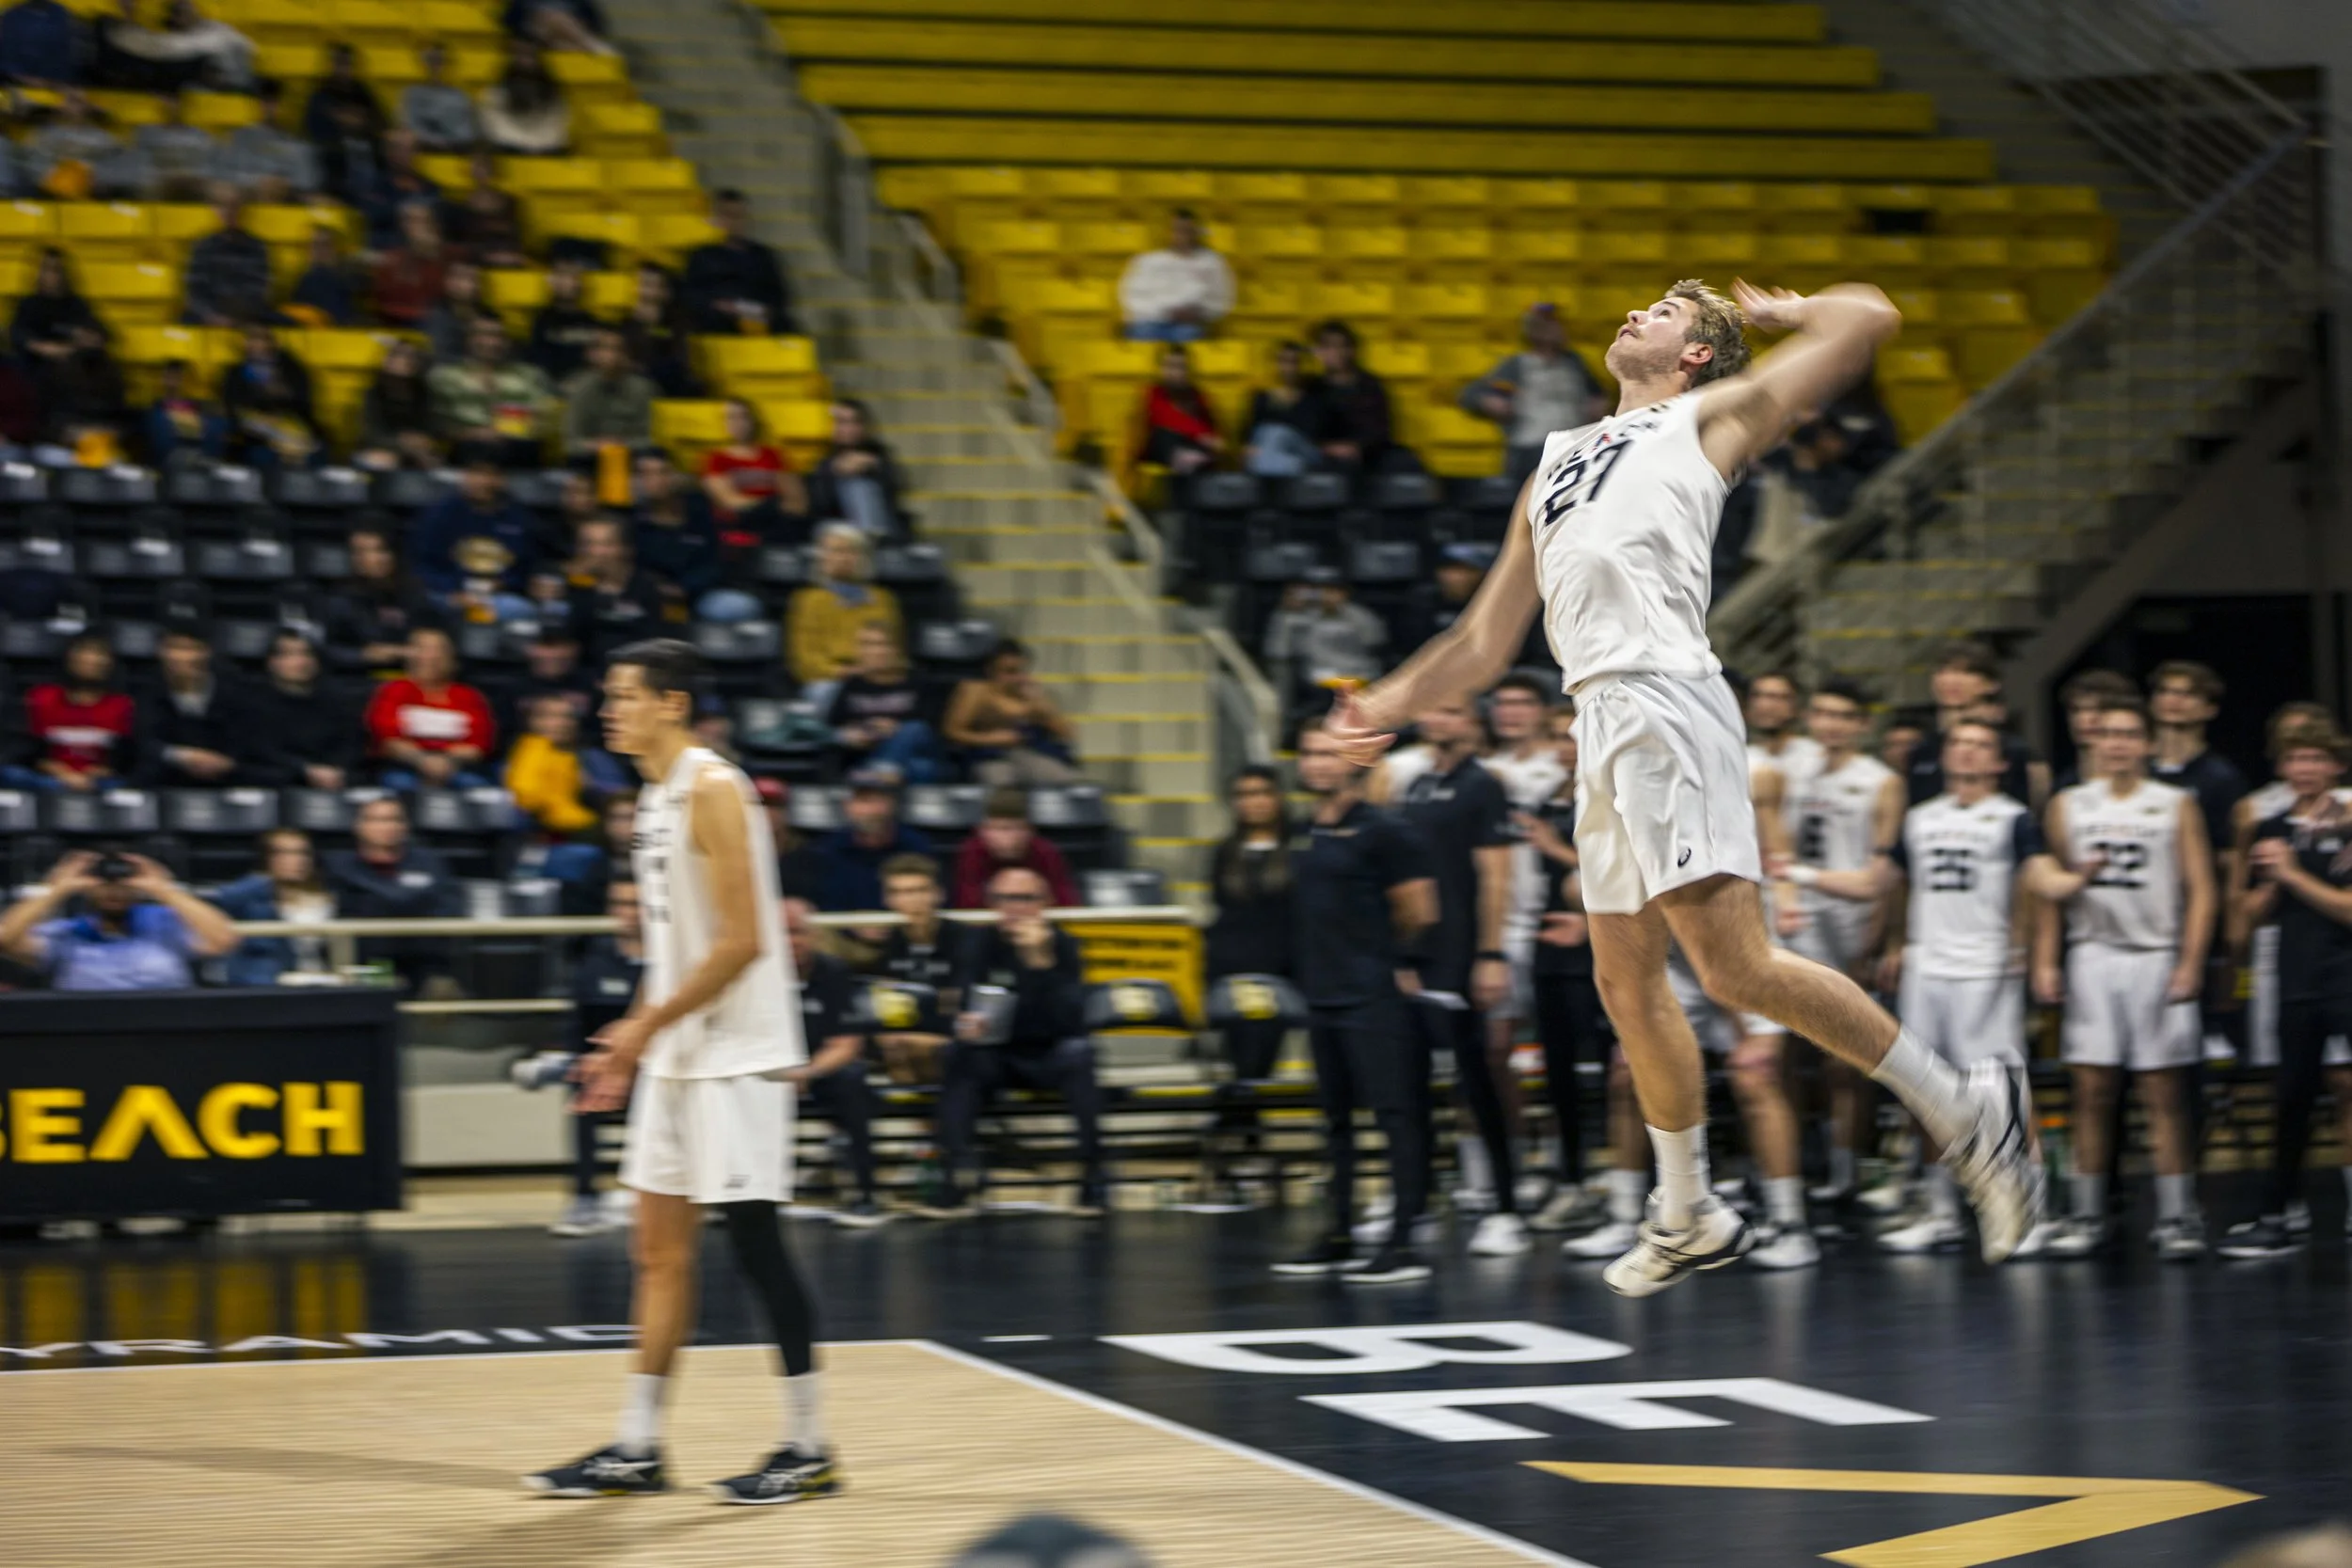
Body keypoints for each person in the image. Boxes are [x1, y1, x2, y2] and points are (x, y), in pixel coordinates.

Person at [1327, 277, 2050, 1295]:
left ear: (1697, 353)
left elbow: (1870, 317)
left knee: (1735, 967)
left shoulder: (1711, 416)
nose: (1634, 313)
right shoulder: (1558, 456)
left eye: (1663, 311)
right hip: (1598, 712)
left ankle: (1967, 1108)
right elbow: (1481, 641)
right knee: (1625, 982)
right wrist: (1381, 705)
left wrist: (1780, 311)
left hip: (1664, 696)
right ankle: (1687, 1208)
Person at [524, 638, 841, 1506]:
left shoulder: (713, 787)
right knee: (657, 1252)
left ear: (673, 703)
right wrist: (630, 1039)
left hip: (739, 1054)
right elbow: (673, 949)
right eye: (608, 696)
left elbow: (742, 941)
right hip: (678, 1054)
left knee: (756, 1245)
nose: (607, 710)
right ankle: (638, 1445)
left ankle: (810, 1445)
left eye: (624, 695)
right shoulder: (650, 797)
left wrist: (641, 1031)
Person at [1870, 720, 2091, 1252]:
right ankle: (1941, 1212)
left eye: (1980, 744)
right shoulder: (1920, 818)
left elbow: (2041, 878)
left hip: (1987, 968)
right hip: (1927, 969)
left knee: (2003, 1096)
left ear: (1999, 762)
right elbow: (1879, 884)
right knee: (1927, 1095)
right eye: (1958, 742)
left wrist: (2075, 879)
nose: (1967, 751)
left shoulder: (2014, 819)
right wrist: (1799, 875)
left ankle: (2031, 1214)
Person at [2031, 695, 2215, 1259]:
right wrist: (2046, 960)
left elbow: (2202, 889)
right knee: (2091, 1089)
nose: (2118, 744)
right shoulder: (2068, 804)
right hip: (2093, 954)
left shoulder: (2175, 803)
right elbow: (2052, 890)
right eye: (2108, 733)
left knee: (2163, 1092)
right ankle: (2088, 1214)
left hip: (2155, 954)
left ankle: (2178, 1215)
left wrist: (2191, 961)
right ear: (2093, 740)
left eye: (2130, 734)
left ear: (2148, 744)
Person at [1270, 718, 1436, 1281]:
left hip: (1372, 992)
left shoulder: (1384, 830)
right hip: (1322, 993)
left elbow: (1419, 910)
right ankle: (1339, 1231)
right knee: (1335, 1121)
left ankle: (1403, 1241)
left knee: (1396, 1115)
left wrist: (1394, 963)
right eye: (1309, 753)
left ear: (1353, 761)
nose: (1317, 763)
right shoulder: (1301, 830)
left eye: (1328, 753)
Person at [1390, 697, 1527, 1255]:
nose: (1435, 719)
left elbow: (1496, 876)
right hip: (1418, 953)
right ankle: (1416, 1205)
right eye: (1432, 710)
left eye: (1449, 710)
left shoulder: (1482, 785)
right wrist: (1402, 954)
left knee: (1477, 1082)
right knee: (1413, 1084)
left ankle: (1506, 1209)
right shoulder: (1417, 785)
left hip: (1463, 952)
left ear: (1471, 722)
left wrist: (1490, 953)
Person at [1766, 678, 1903, 1210]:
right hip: (1796, 921)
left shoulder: (1880, 781)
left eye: (1844, 716)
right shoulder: (1792, 770)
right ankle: (1798, 1164)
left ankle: (1848, 1170)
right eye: (1822, 713)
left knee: (1845, 1060)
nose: (1831, 724)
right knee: (1785, 1050)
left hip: (1851, 925)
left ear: (1862, 724)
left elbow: (1884, 876)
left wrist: (1880, 939)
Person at [2222, 719, 2352, 1258]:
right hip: (2295, 979)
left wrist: (2295, 875)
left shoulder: (2349, 823)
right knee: (2291, 1099)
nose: (2305, 769)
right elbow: (2245, 918)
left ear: (2336, 766)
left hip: (2346, 977)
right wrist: (2270, 883)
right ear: (2281, 768)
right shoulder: (2269, 827)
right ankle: (2277, 1217)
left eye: (2316, 758)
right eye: (2296, 759)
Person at [931, 865, 1104, 1216]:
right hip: (996, 1055)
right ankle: (959, 1173)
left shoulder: (1064, 945)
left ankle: (1094, 1176)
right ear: (992, 903)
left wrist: (1039, 963)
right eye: (1005, 898)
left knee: (1081, 1053)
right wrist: (964, 1021)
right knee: (958, 1053)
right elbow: (960, 998)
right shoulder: (977, 943)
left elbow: (1071, 1020)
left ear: (1045, 902)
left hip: (1048, 1054)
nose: (1015, 907)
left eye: (1025, 898)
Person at [1517, 703, 1613, 1232]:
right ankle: (1571, 1176)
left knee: (1611, 1072)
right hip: (1550, 950)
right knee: (1557, 1074)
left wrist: (1556, 850)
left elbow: (1627, 869)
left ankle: (1622, 1182)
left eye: (1573, 735)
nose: (1565, 745)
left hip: (1600, 951)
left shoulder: (1613, 793)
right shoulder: (1547, 797)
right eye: (1557, 736)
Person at [533, 876, 644, 1236]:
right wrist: (585, 1059)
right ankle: (584, 1197)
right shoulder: (594, 962)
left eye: (636, 904)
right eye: (620, 904)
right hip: (607, 1068)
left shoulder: (674, 962)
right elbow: (577, 1027)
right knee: (582, 1085)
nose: (629, 914)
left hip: (661, 1069)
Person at [782, 896, 887, 1226]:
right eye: (781, 933)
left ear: (813, 935)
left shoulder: (833, 971)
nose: (790, 941)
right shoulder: (752, 975)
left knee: (852, 1081)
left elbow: (847, 1043)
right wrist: (780, 1073)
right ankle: (733, 1196)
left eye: (797, 931)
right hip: (766, 1071)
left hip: (819, 1071)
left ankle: (865, 1193)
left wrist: (807, 1072)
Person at [0, 847, 238, 990]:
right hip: (88, 1029)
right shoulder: (67, 933)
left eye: (123, 885)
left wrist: (163, 889)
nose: (114, 892)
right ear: (88, 888)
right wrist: (58, 889)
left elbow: (223, 940)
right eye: (105, 885)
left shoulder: (165, 923)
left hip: (165, 1024)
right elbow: (7, 940)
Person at [1204, 766, 1294, 1083]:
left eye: (1261, 793)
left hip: (1283, 964)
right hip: (1232, 964)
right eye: (1244, 794)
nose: (1253, 802)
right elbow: (1222, 905)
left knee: (1263, 1055)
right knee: (1240, 1056)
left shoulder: (1297, 848)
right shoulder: (1225, 852)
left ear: (1277, 798)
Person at [1459, 302, 1608, 488]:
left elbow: (1598, 393)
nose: (1558, 329)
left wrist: (1597, 405)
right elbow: (1472, 395)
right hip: (1531, 447)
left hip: (1573, 446)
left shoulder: (1574, 363)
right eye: (1550, 325)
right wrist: (1489, 402)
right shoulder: (1517, 365)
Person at [325, 794, 461, 985]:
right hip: (368, 962)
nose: (388, 826)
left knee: (443, 989)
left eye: (395, 819)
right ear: (359, 826)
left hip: (424, 960)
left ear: (405, 826)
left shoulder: (430, 862)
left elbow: (447, 907)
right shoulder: (339, 866)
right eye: (378, 820)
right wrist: (411, 903)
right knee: (376, 989)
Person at [1903, 638, 2046, 811]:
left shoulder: (2013, 749)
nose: (1951, 680)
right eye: (1942, 671)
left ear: (1991, 685)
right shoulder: (1922, 750)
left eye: (1965, 672)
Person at [363, 626, 498, 790]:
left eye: (438, 651)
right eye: (423, 650)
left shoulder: (469, 696)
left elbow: (479, 744)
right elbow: (388, 739)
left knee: (476, 787)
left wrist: (446, 760)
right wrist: (423, 760)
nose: (431, 657)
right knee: (400, 784)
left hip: (458, 768)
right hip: (404, 767)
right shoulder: (394, 691)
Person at [412, 455, 541, 621]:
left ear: (502, 480)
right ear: (464, 477)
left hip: (498, 597)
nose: (481, 481)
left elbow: (525, 567)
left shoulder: (519, 518)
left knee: (521, 609)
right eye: (475, 473)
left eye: (489, 474)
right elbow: (423, 564)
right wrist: (452, 591)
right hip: (447, 594)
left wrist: (505, 583)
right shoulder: (439, 514)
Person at [869, 854, 959, 1083]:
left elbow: (958, 1000)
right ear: (887, 899)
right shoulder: (886, 944)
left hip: (953, 1034)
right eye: (898, 892)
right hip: (901, 1035)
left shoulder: (962, 938)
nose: (911, 900)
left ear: (938, 894)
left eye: (919, 891)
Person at [207, 828, 337, 987]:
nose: (296, 860)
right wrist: (263, 880)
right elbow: (223, 900)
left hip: (318, 978)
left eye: (302, 853)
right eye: (283, 853)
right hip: (266, 982)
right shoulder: (250, 896)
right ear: (267, 858)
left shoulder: (327, 896)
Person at [943, 638, 1079, 787]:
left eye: (1021, 671)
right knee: (1001, 782)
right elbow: (952, 731)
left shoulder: (1030, 693)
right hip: (987, 755)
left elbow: (1067, 734)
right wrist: (990, 739)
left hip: (1027, 753)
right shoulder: (975, 691)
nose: (1017, 678)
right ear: (991, 670)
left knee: (1065, 780)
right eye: (1009, 672)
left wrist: (1043, 706)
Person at [787, 523, 902, 698]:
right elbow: (804, 661)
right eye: (836, 551)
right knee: (824, 692)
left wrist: (873, 671)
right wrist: (843, 672)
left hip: (876, 675)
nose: (844, 558)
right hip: (830, 679)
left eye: (851, 551)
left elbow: (894, 648)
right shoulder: (808, 601)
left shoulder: (882, 599)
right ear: (822, 558)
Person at [11, 630, 134, 792]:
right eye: (84, 651)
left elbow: (127, 758)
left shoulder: (122, 705)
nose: (90, 659)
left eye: (98, 653)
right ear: (69, 657)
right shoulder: (42, 698)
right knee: (13, 774)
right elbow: (26, 753)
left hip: (101, 783)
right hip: (48, 779)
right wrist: (61, 773)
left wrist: (97, 773)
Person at [428, 316, 555, 469]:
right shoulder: (444, 377)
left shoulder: (530, 376)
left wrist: (507, 432)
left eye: (499, 336)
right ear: (468, 339)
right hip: (462, 450)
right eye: (483, 334)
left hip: (517, 450)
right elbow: (434, 422)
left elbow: (544, 419)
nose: (492, 343)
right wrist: (471, 433)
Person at [137, 626, 252, 786]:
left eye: (191, 649)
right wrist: (184, 757)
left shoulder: (235, 690)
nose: (182, 657)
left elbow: (246, 740)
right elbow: (143, 742)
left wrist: (225, 762)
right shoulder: (144, 689)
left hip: (226, 778)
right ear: (160, 651)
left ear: (207, 652)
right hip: (164, 778)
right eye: (174, 648)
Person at [825, 622, 938, 783]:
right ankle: (881, 773)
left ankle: (879, 773)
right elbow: (833, 727)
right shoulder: (852, 685)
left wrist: (896, 728)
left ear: (897, 649)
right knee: (920, 768)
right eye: (866, 645)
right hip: (867, 756)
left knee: (914, 731)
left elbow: (931, 728)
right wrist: (862, 731)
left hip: (909, 754)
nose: (875, 652)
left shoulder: (919, 683)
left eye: (883, 644)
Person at [246, 629, 358, 790]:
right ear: (271, 662)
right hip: (274, 781)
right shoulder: (251, 702)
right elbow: (259, 751)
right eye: (289, 654)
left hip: (333, 780)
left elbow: (349, 744)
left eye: (307, 654)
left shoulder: (337, 701)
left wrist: (335, 769)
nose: (301, 661)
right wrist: (304, 770)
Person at [325, 522, 439, 675]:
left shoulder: (415, 593)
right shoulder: (340, 599)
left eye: (380, 550)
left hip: (412, 675)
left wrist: (409, 651)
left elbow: (432, 637)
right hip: (357, 677)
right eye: (361, 552)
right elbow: (327, 649)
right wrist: (364, 655)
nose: (372, 559)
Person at [812, 768, 932, 914]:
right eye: (864, 801)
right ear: (847, 806)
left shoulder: (916, 847)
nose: (872, 810)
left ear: (893, 804)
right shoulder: (826, 850)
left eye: (880, 800)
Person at [682, 187, 792, 335]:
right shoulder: (702, 256)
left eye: (739, 216)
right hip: (717, 317)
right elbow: (690, 294)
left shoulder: (762, 255)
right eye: (728, 215)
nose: (734, 223)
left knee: (785, 324)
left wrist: (763, 309)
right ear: (716, 218)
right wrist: (718, 305)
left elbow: (778, 294)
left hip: (756, 316)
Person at [951, 787, 1078, 911]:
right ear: (982, 830)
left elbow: (1066, 904)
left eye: (1017, 828)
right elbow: (967, 906)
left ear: (1030, 831)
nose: (1008, 838)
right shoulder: (972, 852)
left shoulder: (1044, 852)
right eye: (1000, 829)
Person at [1118, 208, 1232, 342]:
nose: (1182, 236)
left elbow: (1222, 300)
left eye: (1187, 230)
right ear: (1168, 231)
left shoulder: (1212, 262)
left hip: (1190, 325)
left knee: (1187, 335)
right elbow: (1130, 297)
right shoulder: (1147, 261)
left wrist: (1200, 313)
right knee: (1142, 333)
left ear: (1196, 232)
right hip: (1149, 322)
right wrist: (1164, 312)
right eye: (1177, 230)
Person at [703, 396, 805, 545]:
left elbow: (797, 500)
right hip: (741, 527)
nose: (738, 423)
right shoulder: (716, 459)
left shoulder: (773, 456)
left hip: (778, 525)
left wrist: (772, 508)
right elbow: (729, 501)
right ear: (724, 423)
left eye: (743, 417)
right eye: (731, 417)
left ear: (752, 421)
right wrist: (771, 505)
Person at [218, 321, 320, 469]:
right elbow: (231, 402)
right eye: (250, 339)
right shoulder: (236, 371)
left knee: (304, 440)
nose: (253, 344)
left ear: (271, 343)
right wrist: (258, 414)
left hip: (287, 419)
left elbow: (302, 399)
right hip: (251, 423)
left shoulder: (291, 369)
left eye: (259, 339)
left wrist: (281, 401)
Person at [1300, 319, 1396, 474]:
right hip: (1323, 455)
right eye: (1328, 347)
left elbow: (1381, 429)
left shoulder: (1370, 385)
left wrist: (1357, 447)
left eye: (1341, 346)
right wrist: (1327, 448)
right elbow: (1306, 429)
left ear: (1351, 350)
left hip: (1368, 455)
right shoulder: (1312, 388)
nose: (1336, 352)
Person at [566, 515, 665, 662]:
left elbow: (662, 642)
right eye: (588, 544)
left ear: (626, 548)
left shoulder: (652, 588)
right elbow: (569, 639)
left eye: (607, 544)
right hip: (584, 670)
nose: (596, 552)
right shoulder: (572, 586)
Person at [803, 398, 904, 537]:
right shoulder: (823, 463)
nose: (849, 429)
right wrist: (835, 471)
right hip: (838, 534)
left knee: (860, 485)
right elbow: (818, 504)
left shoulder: (879, 456)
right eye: (842, 422)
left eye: (855, 422)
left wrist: (874, 466)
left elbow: (896, 488)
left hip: (881, 532)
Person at [507, 692, 602, 838]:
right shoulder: (529, 751)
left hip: (586, 820)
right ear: (533, 721)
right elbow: (528, 798)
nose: (562, 723)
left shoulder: (591, 755)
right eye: (551, 716)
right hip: (548, 830)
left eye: (568, 717)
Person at [180, 184, 273, 326]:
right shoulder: (202, 247)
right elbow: (195, 290)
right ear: (215, 210)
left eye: (233, 206)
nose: (229, 211)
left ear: (241, 209)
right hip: (208, 317)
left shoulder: (257, 247)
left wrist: (239, 316)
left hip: (245, 316)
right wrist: (212, 316)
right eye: (223, 206)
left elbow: (259, 289)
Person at [561, 328, 656, 458]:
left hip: (630, 456)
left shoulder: (642, 389)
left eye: (616, 349)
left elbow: (648, 439)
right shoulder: (580, 387)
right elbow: (570, 442)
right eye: (604, 349)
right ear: (592, 354)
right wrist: (596, 446)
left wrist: (618, 445)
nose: (610, 355)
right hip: (589, 457)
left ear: (627, 355)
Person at [218, 77, 314, 201]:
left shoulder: (297, 144)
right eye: (265, 101)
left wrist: (281, 184)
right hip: (244, 198)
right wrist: (257, 181)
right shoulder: (237, 137)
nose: (270, 107)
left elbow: (307, 182)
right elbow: (222, 173)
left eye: (275, 101)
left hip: (285, 199)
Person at [1136, 343, 1223, 475]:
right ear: (1160, 368)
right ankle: (1185, 458)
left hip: (1192, 448)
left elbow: (1211, 428)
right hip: (1161, 449)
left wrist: (1211, 439)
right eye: (1170, 366)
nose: (1176, 373)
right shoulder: (1154, 392)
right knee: (1163, 433)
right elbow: (1166, 417)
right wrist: (1200, 435)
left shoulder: (1197, 395)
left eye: (1181, 367)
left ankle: (1193, 459)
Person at [356, 338, 439, 470]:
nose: (403, 361)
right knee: (383, 461)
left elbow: (431, 427)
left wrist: (422, 441)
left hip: (417, 450)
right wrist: (401, 441)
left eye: (411, 356)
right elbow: (370, 433)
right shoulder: (373, 392)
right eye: (397, 355)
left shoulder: (423, 392)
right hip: (380, 447)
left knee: (431, 462)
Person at [1240, 340, 1317, 478]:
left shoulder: (1313, 395)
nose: (1289, 368)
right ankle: (1280, 467)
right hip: (1269, 451)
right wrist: (1250, 446)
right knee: (1266, 437)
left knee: (1276, 432)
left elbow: (1312, 432)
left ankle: (1265, 467)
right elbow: (1249, 430)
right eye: (1283, 361)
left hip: (1302, 449)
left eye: (1294, 362)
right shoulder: (1263, 397)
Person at [479, 37, 568, 154]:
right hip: (509, 146)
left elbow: (557, 129)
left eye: (529, 56)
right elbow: (494, 126)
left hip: (547, 148)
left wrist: (537, 146)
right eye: (520, 55)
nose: (525, 62)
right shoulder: (495, 93)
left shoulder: (554, 95)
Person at [371, 200, 452, 329]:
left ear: (434, 224)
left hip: (431, 318)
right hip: (391, 317)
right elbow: (386, 294)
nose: (412, 226)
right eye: (408, 220)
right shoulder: (392, 257)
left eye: (419, 221)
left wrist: (433, 254)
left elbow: (444, 293)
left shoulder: (448, 254)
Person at [621, 261, 698, 396]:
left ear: (665, 292)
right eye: (641, 284)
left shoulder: (679, 324)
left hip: (664, 383)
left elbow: (679, 361)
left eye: (650, 285)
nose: (644, 290)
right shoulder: (622, 322)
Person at [445, 147, 529, 269]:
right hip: (475, 261)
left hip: (505, 257)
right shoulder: (458, 207)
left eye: (485, 165)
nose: (481, 170)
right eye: (476, 165)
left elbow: (515, 237)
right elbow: (462, 242)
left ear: (493, 169)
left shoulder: (510, 202)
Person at [135, 86, 216, 201]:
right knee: (148, 187)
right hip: (160, 178)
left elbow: (205, 163)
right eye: (169, 105)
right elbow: (143, 161)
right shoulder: (147, 132)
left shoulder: (200, 135)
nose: (174, 108)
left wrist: (193, 176)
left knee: (216, 191)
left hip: (192, 178)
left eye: (178, 104)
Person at [527, 258, 601, 383]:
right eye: (562, 276)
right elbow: (537, 357)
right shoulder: (541, 319)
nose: (568, 282)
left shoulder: (590, 320)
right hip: (549, 380)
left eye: (573, 277)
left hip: (584, 381)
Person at [403, 40, 478, 151]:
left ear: (448, 64)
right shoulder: (413, 94)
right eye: (431, 61)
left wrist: (453, 142)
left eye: (440, 61)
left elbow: (468, 131)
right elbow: (410, 126)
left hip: (458, 150)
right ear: (422, 64)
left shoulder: (460, 96)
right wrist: (435, 140)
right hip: (425, 150)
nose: (435, 67)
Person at [1743, 669, 1822, 776]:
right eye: (1757, 696)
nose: (1765, 705)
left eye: (1775, 697)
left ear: (1796, 705)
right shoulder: (1742, 757)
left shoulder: (1817, 757)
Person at [302, 40, 384, 143]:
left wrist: (360, 121)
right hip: (329, 147)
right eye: (340, 63)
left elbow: (380, 122)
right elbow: (311, 127)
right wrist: (341, 118)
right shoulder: (320, 92)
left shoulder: (361, 91)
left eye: (348, 64)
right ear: (332, 65)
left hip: (361, 145)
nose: (344, 69)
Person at [285, 224, 362, 327]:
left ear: (337, 249)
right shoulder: (304, 279)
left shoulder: (349, 279)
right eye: (314, 245)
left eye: (325, 245)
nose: (319, 250)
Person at [422, 258, 495, 364]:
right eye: (455, 277)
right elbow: (436, 353)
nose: (460, 284)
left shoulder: (489, 316)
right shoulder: (434, 314)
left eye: (470, 278)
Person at [0, 0, 87, 87]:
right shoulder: (13, 16)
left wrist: (59, 85)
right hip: (19, 83)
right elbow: (9, 64)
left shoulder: (59, 13)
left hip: (57, 82)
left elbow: (63, 54)